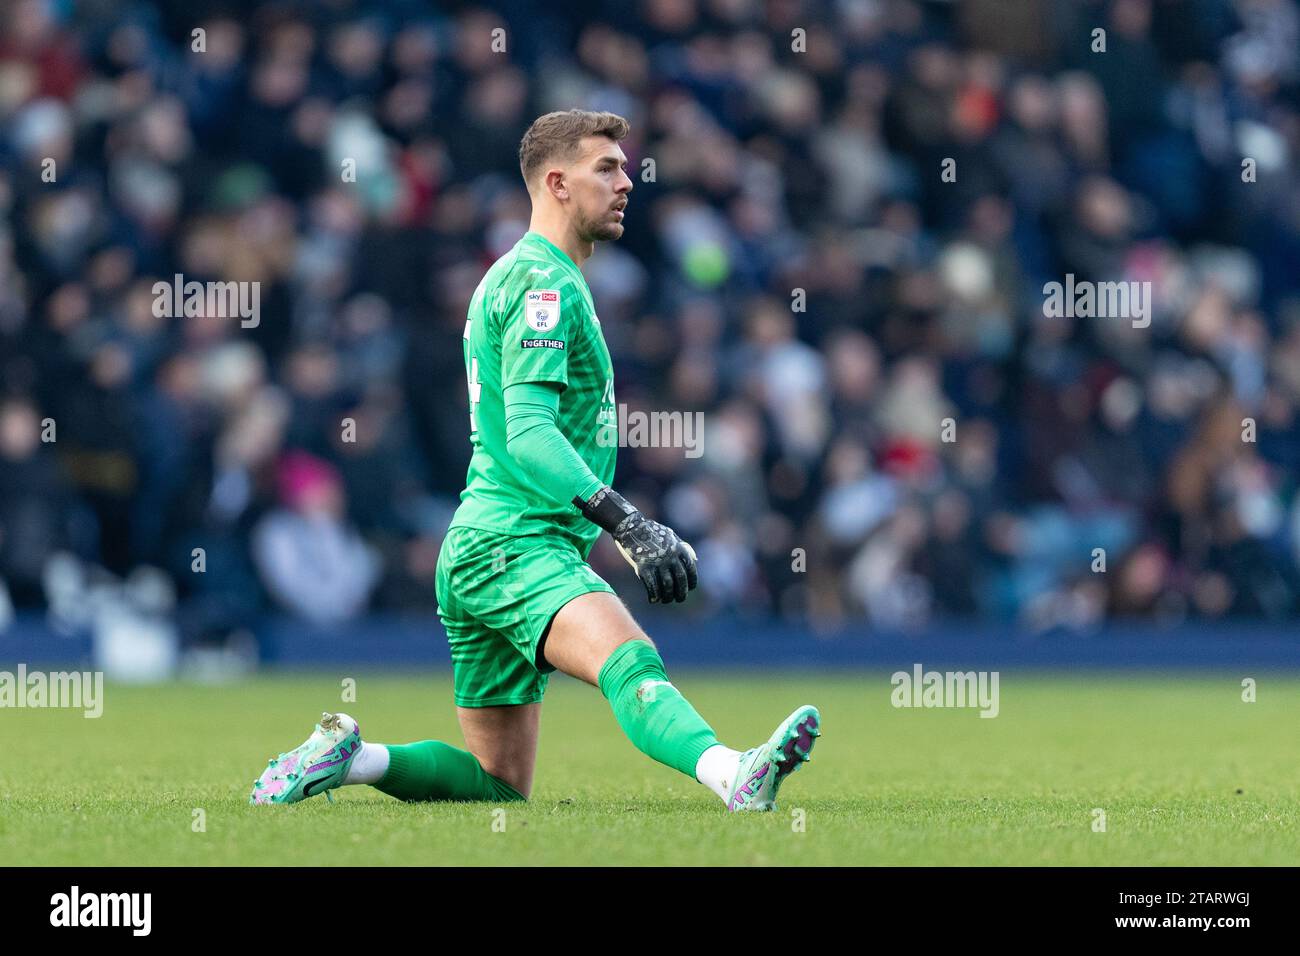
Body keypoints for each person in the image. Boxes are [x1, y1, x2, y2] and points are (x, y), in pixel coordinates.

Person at [250, 110, 820, 812]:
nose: (627, 181)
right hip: (514, 543)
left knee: (499, 785)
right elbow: (527, 432)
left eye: (625, 165)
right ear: (556, 182)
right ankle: (734, 773)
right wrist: (627, 522)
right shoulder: (541, 285)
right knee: (627, 658)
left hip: (484, 545)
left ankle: (350, 757)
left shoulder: (534, 278)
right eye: (605, 168)